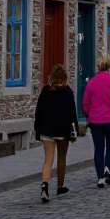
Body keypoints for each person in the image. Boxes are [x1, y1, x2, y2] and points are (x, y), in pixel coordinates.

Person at [33, 64, 78, 203]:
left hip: (47, 130)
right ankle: (60, 186)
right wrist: (75, 132)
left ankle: (45, 185)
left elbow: (38, 112)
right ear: (65, 78)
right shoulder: (67, 92)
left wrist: (37, 131)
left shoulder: (45, 91)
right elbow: (72, 114)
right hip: (62, 131)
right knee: (61, 158)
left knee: (48, 159)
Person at [81, 55, 110, 187]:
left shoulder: (91, 82)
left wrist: (88, 114)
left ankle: (100, 178)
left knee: (98, 149)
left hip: (95, 121)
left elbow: (85, 103)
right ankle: (107, 168)